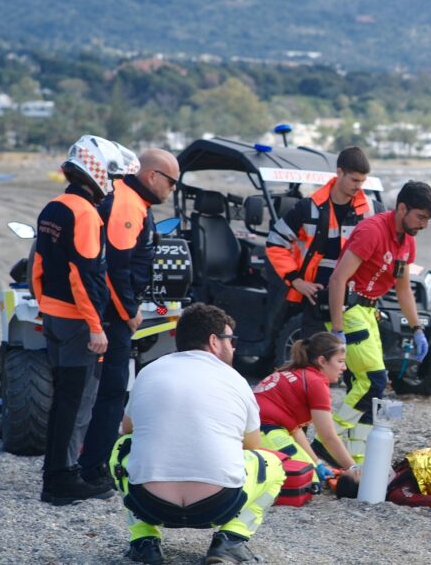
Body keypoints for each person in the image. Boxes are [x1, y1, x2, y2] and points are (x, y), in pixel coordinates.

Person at [109, 303, 284, 565]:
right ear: (214, 341)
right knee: (272, 464)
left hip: (149, 502)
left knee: (122, 448)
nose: (233, 347)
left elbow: (128, 430)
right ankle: (230, 541)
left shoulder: (149, 372)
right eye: (230, 340)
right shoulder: (235, 380)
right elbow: (252, 447)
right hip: (219, 503)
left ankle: (143, 541)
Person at [32, 135, 138, 505]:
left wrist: (46, 307)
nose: (112, 181)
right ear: (95, 170)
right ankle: (62, 480)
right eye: (110, 173)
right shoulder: (86, 214)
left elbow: (38, 267)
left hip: (55, 318)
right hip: (79, 323)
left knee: (63, 400)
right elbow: (85, 274)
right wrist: (96, 326)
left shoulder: (52, 208)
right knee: (78, 403)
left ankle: (57, 475)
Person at [78, 148, 180, 489]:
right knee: (110, 392)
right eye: (172, 182)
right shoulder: (126, 203)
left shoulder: (131, 200)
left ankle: (84, 462)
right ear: (152, 176)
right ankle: (93, 469)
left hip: (106, 311)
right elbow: (115, 267)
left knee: (96, 390)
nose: (172, 190)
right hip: (111, 315)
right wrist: (130, 311)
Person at [326, 180, 431, 460]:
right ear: (402, 208)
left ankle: (355, 458)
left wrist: (417, 329)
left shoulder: (407, 243)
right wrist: (337, 329)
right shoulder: (372, 231)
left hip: (369, 313)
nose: (425, 225)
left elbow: (402, 289)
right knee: (373, 380)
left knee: (366, 387)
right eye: (420, 217)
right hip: (350, 310)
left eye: (428, 219)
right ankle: (327, 442)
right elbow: (338, 278)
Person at [266, 146, 377, 339]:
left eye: (363, 181)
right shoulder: (307, 208)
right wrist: (296, 281)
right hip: (316, 299)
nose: (359, 186)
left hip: (356, 302)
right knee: (316, 361)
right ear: (339, 172)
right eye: (354, 180)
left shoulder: (371, 211)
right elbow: (275, 243)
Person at [252, 332, 361, 479]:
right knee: (308, 478)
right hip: (263, 430)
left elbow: (295, 429)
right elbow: (328, 436)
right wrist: (354, 468)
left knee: (312, 469)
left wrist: (316, 462)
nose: (345, 367)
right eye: (340, 361)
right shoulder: (315, 382)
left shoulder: (294, 371)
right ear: (322, 361)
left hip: (257, 429)